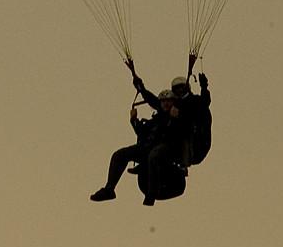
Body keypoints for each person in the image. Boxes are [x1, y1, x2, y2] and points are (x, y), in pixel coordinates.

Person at [90, 60, 211, 203]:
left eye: (180, 90)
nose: (166, 103)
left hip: (172, 147)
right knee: (119, 155)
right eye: (175, 89)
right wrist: (138, 90)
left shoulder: (184, 109)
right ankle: (109, 189)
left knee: (154, 155)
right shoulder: (160, 113)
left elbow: (203, 104)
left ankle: (151, 194)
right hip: (150, 147)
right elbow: (151, 102)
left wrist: (204, 87)